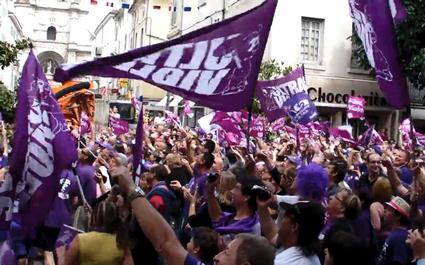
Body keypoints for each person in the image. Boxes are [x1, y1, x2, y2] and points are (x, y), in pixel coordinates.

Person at [110, 166, 276, 265]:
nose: (216, 257)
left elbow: (166, 243)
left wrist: (132, 189)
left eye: (226, 253)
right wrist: (210, 191)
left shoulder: (252, 226)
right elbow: (216, 217)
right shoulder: (229, 218)